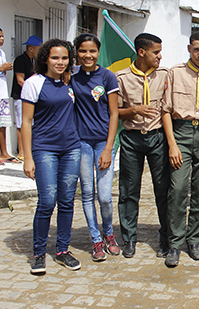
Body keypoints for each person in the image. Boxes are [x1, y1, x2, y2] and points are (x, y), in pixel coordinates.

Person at [161, 31, 199, 267]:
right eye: (196, 49)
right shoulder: (175, 73)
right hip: (181, 133)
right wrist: (172, 144)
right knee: (177, 190)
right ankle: (174, 244)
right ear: (189, 49)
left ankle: (194, 239)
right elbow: (165, 110)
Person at [22, 39, 81, 274]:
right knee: (47, 201)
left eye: (65, 58)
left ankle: (62, 251)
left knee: (67, 202)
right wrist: (28, 157)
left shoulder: (69, 81)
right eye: (55, 57)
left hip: (71, 148)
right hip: (44, 148)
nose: (60, 62)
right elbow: (26, 122)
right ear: (45, 57)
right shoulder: (33, 83)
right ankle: (38, 253)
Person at [116, 33, 170, 259]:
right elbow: (114, 112)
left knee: (163, 189)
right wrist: (134, 110)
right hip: (131, 138)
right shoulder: (121, 77)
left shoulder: (164, 75)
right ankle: (129, 238)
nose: (159, 56)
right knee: (129, 191)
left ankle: (166, 237)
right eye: (155, 52)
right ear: (141, 52)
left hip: (157, 138)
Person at [72, 33, 121, 262]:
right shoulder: (71, 77)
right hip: (80, 142)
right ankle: (95, 239)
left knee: (104, 196)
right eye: (83, 51)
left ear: (98, 52)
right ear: (77, 53)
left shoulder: (108, 76)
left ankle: (109, 233)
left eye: (92, 51)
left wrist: (108, 147)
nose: (87, 55)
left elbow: (114, 114)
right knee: (87, 193)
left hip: (103, 142)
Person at [11, 35, 42, 162]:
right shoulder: (20, 60)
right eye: (38, 49)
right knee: (21, 124)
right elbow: (20, 80)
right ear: (31, 49)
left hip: (31, 98)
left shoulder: (33, 61)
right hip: (21, 97)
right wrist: (31, 90)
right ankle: (21, 152)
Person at [0, 27, 16, 164]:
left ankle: (4, 153)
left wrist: (5, 69)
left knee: (2, 124)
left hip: (2, 93)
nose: (2, 39)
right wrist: (1, 68)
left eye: (3, 36)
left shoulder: (1, 52)